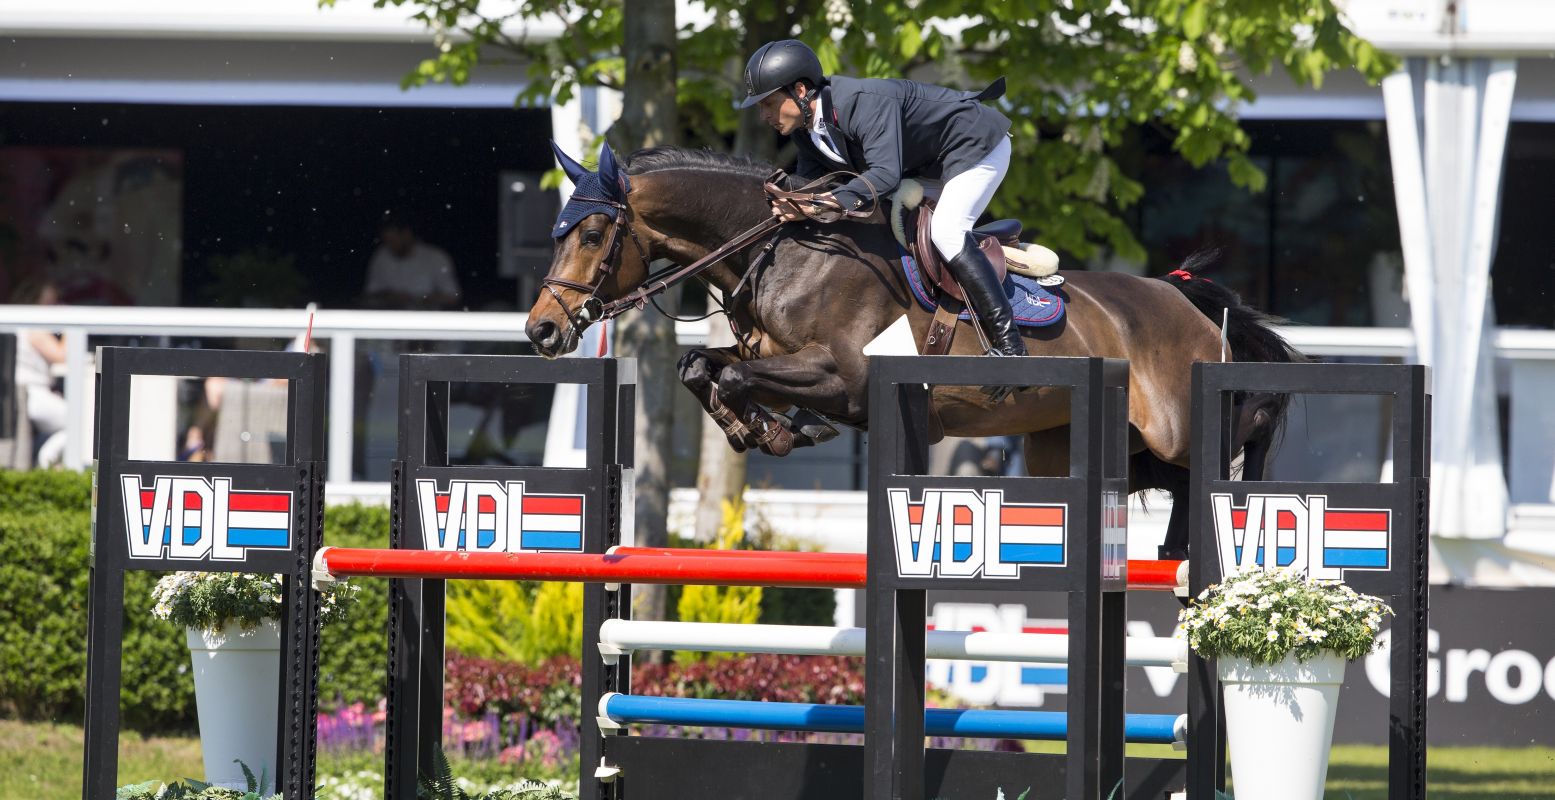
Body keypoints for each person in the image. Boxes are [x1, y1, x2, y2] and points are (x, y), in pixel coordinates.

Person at [737, 39, 1027, 362]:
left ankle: (1011, 345)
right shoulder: (805, 133)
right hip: (926, 165)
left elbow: (885, 176)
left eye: (768, 104)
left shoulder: (862, 103)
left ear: (800, 91)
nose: (763, 115)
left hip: (975, 146)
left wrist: (820, 204)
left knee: (946, 231)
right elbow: (814, 187)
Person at [10, 279, 68, 466]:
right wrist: (71, 326)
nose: (54, 309)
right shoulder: (34, 326)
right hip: (33, 394)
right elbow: (63, 355)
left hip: (29, 394)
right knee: (81, 422)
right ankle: (46, 460)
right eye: (50, 303)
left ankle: (43, 459)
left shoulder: (23, 323)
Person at [361, 215, 462, 310]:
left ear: (407, 234)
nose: (389, 246)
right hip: (391, 321)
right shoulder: (381, 256)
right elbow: (370, 294)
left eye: (392, 241)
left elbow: (453, 297)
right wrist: (390, 297)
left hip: (428, 321)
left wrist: (419, 299)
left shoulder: (436, 257)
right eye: (386, 241)